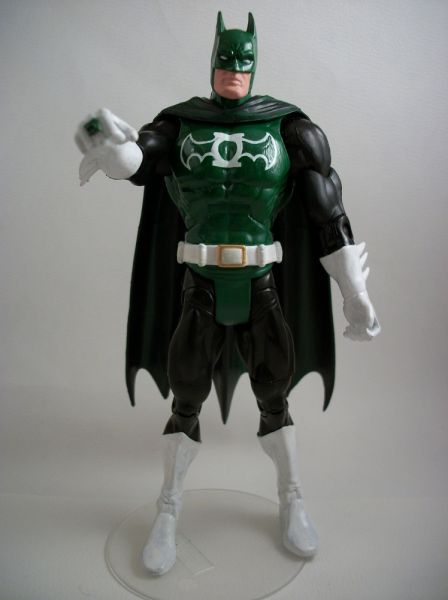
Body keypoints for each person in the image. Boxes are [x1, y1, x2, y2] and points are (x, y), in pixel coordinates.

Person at [75, 12, 380, 576]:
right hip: (201, 284)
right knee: (185, 398)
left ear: (255, 62)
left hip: (263, 283)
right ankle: (168, 510)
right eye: (225, 58)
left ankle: (292, 497)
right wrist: (108, 143)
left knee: (275, 395)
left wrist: (354, 293)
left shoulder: (291, 129)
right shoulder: (180, 125)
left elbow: (327, 213)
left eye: (243, 60)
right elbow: (139, 161)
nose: (233, 69)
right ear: (212, 59)